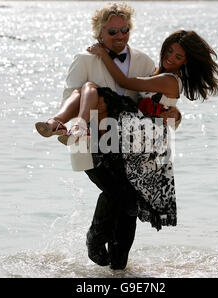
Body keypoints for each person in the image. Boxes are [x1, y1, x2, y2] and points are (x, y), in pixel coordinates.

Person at [35, 3, 181, 270]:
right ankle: (94, 238)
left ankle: (119, 268)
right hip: (94, 143)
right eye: (112, 31)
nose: (120, 35)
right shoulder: (84, 59)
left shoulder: (143, 61)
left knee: (130, 204)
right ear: (99, 32)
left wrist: (174, 114)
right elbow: (71, 96)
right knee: (120, 194)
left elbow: (153, 100)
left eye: (125, 30)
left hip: (131, 146)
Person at [58, 29, 218, 233]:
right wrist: (175, 113)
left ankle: (101, 247)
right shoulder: (155, 72)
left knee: (126, 200)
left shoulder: (169, 79)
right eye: (169, 51)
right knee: (125, 198)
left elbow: (125, 83)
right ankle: (115, 260)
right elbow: (149, 103)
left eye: (178, 56)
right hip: (136, 138)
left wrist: (103, 55)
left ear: (185, 62)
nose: (170, 57)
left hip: (147, 142)